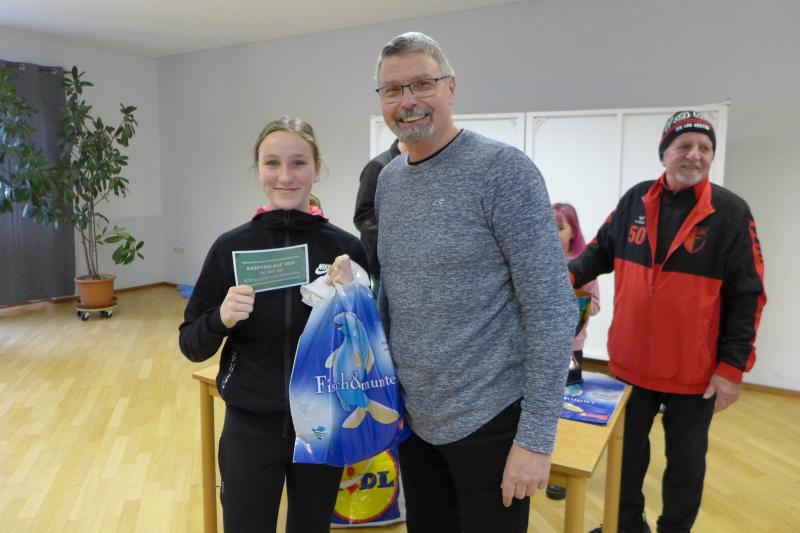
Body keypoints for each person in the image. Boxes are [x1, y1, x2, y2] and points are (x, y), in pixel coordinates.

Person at [372, 32, 577, 532]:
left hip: (492, 420)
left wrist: (535, 439)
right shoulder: (389, 181)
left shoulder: (503, 171)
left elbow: (552, 307)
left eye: (422, 84)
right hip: (415, 420)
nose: (408, 100)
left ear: (451, 87)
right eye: (393, 90)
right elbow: (394, 295)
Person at [569, 110, 766, 533]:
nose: (695, 155)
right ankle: (626, 526)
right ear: (664, 154)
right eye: (684, 146)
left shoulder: (731, 212)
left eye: (705, 148)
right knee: (626, 456)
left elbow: (748, 295)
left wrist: (732, 369)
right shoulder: (635, 200)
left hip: (693, 372)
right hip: (631, 364)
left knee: (685, 465)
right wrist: (562, 279)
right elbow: (598, 252)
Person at [178, 117, 368, 533]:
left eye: (298, 162)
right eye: (272, 163)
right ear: (258, 170)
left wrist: (356, 299)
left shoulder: (345, 250)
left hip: (322, 424)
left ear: (317, 168)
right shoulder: (230, 247)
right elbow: (190, 344)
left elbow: (370, 347)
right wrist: (221, 318)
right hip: (250, 426)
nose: (285, 176)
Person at [545, 202, 600, 501]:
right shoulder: (539, 259)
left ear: (573, 232)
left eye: (560, 228)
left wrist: (579, 303)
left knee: (569, 406)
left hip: (571, 349)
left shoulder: (584, 264)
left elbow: (596, 304)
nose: (553, 233)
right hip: (541, 349)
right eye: (549, 227)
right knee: (542, 407)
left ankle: (566, 472)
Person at [353, 138, 406, 285]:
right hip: (382, 266)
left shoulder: (419, 166)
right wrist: (399, 234)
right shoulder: (378, 166)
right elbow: (362, 217)